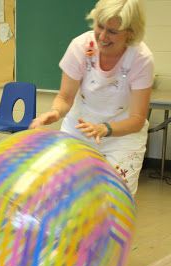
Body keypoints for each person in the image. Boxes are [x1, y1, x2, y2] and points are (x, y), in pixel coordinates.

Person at [29, 0, 154, 195]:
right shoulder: (80, 47)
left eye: (112, 31)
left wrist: (104, 129)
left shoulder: (141, 59)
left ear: (130, 32)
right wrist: (54, 113)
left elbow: (137, 119)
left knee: (114, 197)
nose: (102, 37)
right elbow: (65, 97)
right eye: (100, 26)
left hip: (123, 134)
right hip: (81, 126)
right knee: (63, 191)